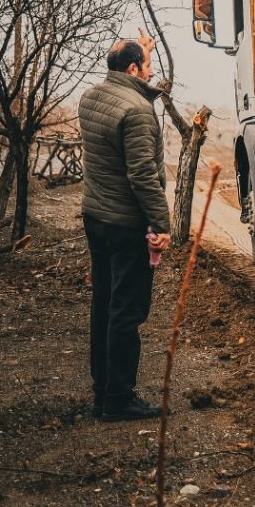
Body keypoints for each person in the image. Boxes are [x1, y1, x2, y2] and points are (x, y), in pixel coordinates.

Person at [77, 33, 173, 421]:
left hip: (95, 217)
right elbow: (142, 176)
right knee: (127, 311)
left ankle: (103, 391)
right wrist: (162, 224)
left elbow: (131, 79)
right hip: (125, 224)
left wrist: (141, 49)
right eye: (147, 66)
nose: (151, 73)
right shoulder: (136, 111)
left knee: (103, 304)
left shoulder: (92, 98)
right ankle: (119, 398)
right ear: (132, 69)